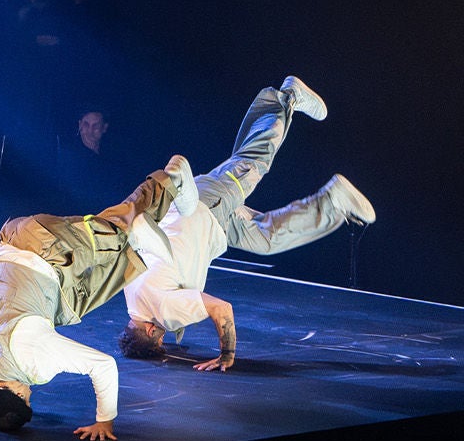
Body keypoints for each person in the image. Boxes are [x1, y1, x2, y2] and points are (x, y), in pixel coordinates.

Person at [117, 77, 376, 372]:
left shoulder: (160, 309)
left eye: (160, 339)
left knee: (254, 160)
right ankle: (335, 201)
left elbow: (221, 309)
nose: (164, 336)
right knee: (268, 239)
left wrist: (226, 355)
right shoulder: (132, 296)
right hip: (213, 224)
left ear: (150, 331)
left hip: (206, 206)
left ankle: (287, 97)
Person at [0, 157, 198, 439]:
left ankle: (168, 181)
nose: (30, 395)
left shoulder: (31, 359)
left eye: (26, 399)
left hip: (46, 247)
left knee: (117, 227)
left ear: (15, 392)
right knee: (73, 305)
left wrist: (105, 421)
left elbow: (102, 365)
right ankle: (135, 236)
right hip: (13, 238)